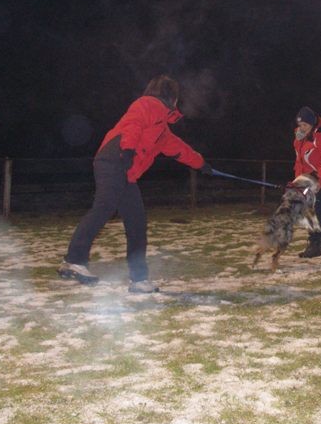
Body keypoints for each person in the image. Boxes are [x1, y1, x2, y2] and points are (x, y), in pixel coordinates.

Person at [58, 74, 212, 293]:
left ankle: (139, 280)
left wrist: (202, 164)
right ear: (171, 96)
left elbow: (180, 149)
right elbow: (133, 123)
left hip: (125, 171)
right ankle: (74, 260)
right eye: (177, 97)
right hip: (114, 159)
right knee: (104, 207)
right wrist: (128, 149)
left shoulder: (162, 131)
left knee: (137, 222)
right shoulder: (147, 104)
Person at [293, 106, 321, 258]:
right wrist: (298, 182)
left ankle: (318, 242)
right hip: (306, 180)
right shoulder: (300, 138)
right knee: (310, 211)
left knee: (312, 212)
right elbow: (299, 162)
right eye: (300, 125)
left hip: (320, 180)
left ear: (312, 123)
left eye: (305, 125)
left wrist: (318, 179)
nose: (302, 128)